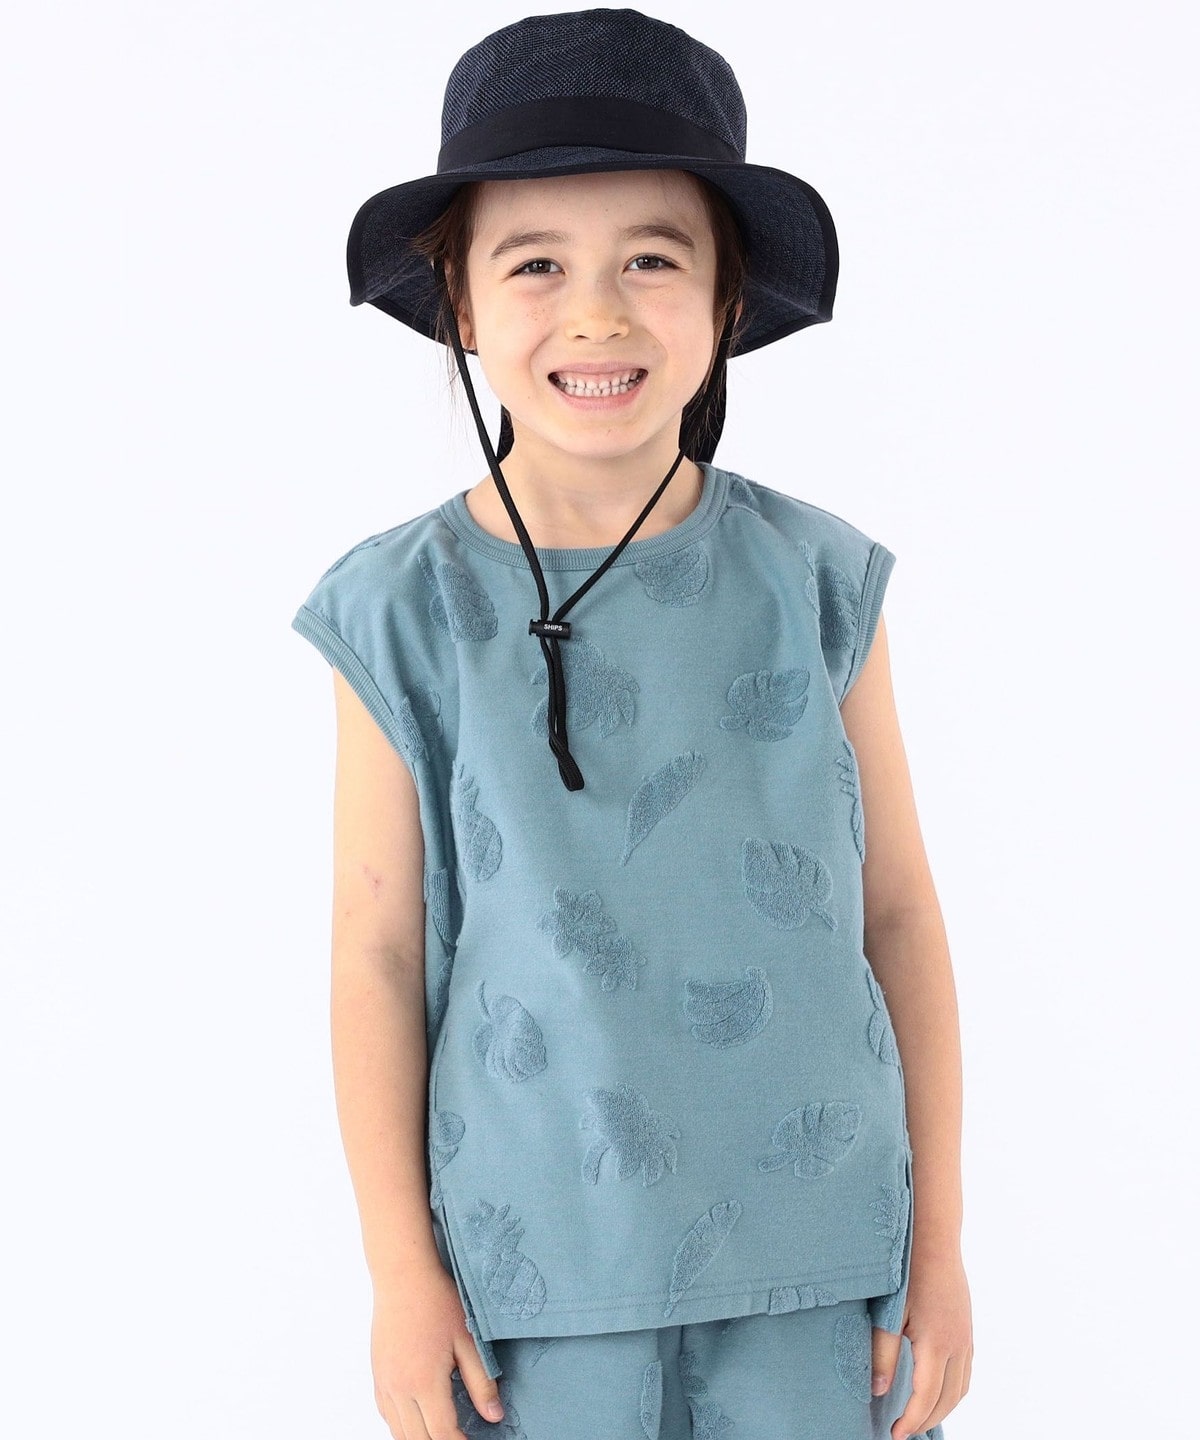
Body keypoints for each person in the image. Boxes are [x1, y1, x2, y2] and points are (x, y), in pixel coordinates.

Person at [290, 9, 971, 1440]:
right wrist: (399, 1275)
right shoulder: (398, 608)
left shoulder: (817, 579)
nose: (596, 314)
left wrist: (941, 1248)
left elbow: (899, 911)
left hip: (822, 1267)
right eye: (535, 262)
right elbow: (377, 949)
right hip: (531, 1282)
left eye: (651, 259)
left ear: (726, 299)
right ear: (459, 300)